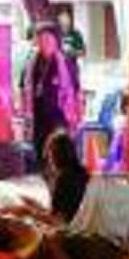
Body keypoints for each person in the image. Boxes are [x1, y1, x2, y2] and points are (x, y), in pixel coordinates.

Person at [20, 22, 81, 163]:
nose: (44, 43)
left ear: (56, 41)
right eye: (40, 39)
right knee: (40, 152)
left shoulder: (66, 62)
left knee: (59, 153)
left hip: (60, 115)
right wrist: (24, 111)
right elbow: (23, 87)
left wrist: (76, 116)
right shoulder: (31, 62)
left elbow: (76, 90)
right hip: (38, 117)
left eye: (48, 39)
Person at [42, 128, 90, 223]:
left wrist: (31, 212)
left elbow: (57, 217)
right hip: (82, 222)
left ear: (55, 155)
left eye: (50, 155)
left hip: (69, 226)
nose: (49, 160)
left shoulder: (63, 179)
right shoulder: (83, 172)